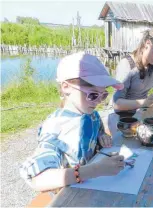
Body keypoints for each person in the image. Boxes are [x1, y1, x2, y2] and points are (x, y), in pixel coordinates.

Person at [19, 52, 126, 193]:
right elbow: (38, 179)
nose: (99, 101)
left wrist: (101, 138)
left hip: (92, 187)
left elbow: (97, 133)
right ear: (66, 87)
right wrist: (96, 170)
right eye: (92, 94)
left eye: (103, 95)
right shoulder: (55, 126)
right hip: (68, 195)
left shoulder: (92, 115)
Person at [109, 27, 153, 117]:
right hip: (123, 117)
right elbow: (117, 103)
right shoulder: (127, 65)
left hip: (141, 111)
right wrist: (144, 102)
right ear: (147, 43)